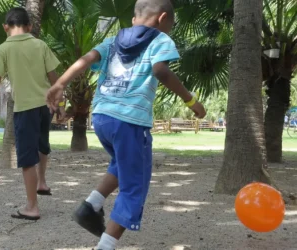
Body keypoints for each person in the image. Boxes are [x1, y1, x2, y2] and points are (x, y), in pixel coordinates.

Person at [46, 0, 206, 248]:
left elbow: (87, 59)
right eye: (171, 26)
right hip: (130, 121)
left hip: (102, 118)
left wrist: (60, 84)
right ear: (163, 18)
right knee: (135, 186)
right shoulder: (160, 40)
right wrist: (191, 101)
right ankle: (105, 245)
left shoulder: (113, 41)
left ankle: (91, 205)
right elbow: (161, 71)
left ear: (134, 18)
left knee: (123, 163)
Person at [0, 7, 62, 220]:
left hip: (25, 109)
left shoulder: (3, 49)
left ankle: (32, 206)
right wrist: (60, 105)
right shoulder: (40, 45)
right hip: (45, 108)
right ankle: (42, 182)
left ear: (5, 27)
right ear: (30, 27)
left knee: (26, 158)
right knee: (42, 145)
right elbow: (55, 79)